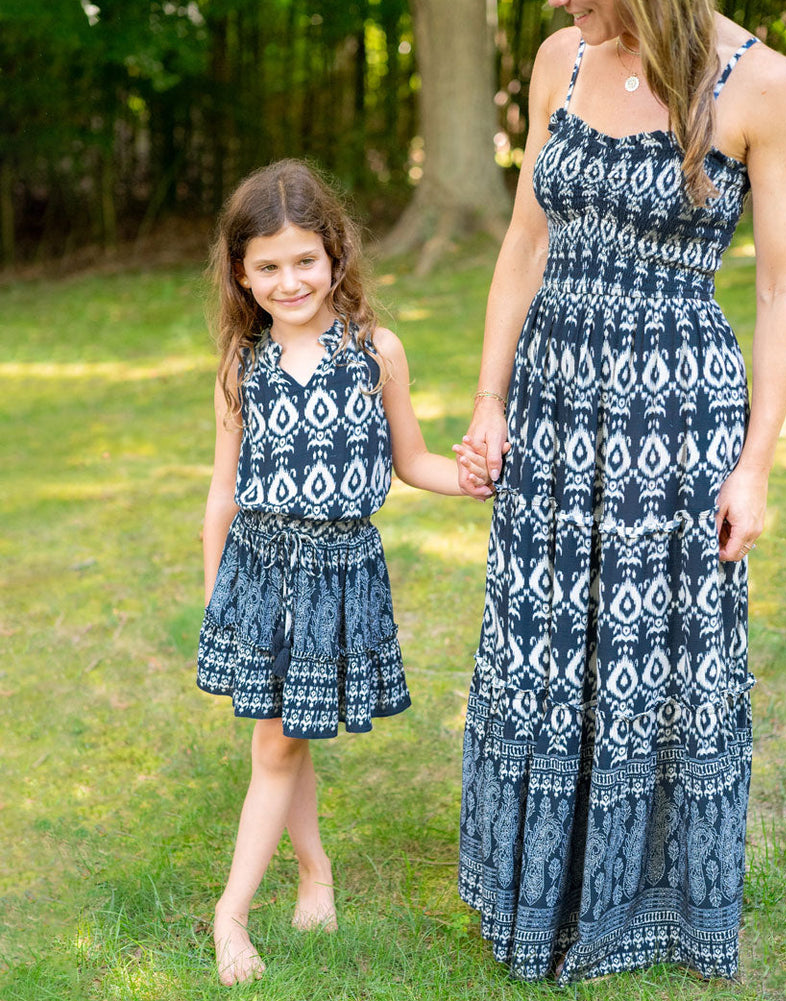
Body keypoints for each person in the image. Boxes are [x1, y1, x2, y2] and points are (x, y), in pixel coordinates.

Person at [456, 0, 786, 984]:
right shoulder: (559, 55)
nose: (568, 4)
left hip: (673, 413)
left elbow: (779, 288)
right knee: (545, 635)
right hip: (552, 392)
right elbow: (524, 242)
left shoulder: (760, 86)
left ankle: (636, 902)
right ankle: (534, 884)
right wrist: (488, 398)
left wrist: (755, 463)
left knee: (651, 652)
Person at [197, 159, 492, 986]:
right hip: (259, 569)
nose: (289, 280)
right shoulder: (239, 365)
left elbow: (413, 460)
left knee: (288, 736)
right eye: (267, 265)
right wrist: (217, 592)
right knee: (280, 742)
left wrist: (472, 477)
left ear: (335, 254)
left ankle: (313, 872)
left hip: (340, 571)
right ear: (241, 273)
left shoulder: (376, 351)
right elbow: (222, 494)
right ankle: (235, 912)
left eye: (303, 260)